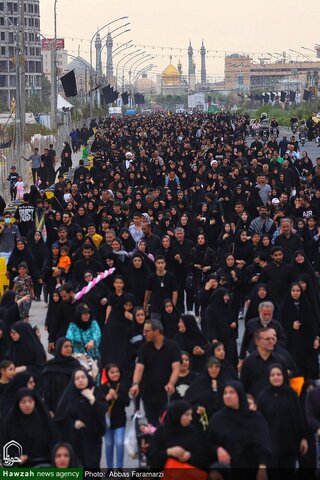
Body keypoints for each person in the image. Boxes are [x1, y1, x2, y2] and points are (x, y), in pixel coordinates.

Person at [207, 381, 271, 480]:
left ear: (240, 394)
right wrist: (217, 449)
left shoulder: (255, 418)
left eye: (232, 392)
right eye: (225, 393)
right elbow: (208, 441)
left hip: (251, 470)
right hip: (226, 471)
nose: (228, 396)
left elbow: (263, 444)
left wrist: (262, 468)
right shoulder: (217, 419)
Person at [258, 364, 308, 479]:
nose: (276, 377)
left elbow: (298, 417)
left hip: (289, 445)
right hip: (270, 446)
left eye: (279, 374)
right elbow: (259, 422)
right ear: (268, 377)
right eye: (272, 375)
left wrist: (303, 437)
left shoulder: (291, 394)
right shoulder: (263, 396)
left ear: (284, 376)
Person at [129, 319, 181, 425]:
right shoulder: (144, 348)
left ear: (156, 331)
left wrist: (171, 384)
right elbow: (139, 368)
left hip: (166, 393)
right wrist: (135, 384)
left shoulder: (173, 347)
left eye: (147, 331)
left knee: (166, 423)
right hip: (149, 393)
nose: (144, 334)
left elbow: (176, 368)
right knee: (152, 425)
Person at [55, 368, 107, 468]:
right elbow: (60, 418)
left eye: (83, 377)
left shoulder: (96, 392)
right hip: (75, 440)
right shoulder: (69, 395)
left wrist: (92, 399)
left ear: (88, 378)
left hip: (93, 439)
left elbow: (102, 411)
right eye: (77, 378)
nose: (80, 380)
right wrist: (73, 423)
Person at [0, 388, 57, 466]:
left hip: (45, 464)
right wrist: (16, 458)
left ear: (34, 402)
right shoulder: (10, 423)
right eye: (23, 402)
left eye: (30, 401)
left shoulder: (44, 420)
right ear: (18, 404)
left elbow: (54, 441)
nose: (27, 405)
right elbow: (5, 447)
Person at [148, 400, 210, 469]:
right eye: (187, 415)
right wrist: (168, 452)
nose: (190, 418)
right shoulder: (161, 432)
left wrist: (190, 456)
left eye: (191, 414)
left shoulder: (193, 431)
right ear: (177, 415)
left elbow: (203, 456)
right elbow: (152, 458)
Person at [240, 327, 289, 399]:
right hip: (255, 405)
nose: (271, 341)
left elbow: (286, 385)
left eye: (273, 338)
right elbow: (243, 385)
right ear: (257, 341)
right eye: (267, 339)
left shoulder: (280, 361)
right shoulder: (249, 362)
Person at [40, 338, 80, 416]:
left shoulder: (75, 364)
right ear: (59, 348)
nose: (69, 349)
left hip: (73, 407)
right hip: (55, 407)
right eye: (66, 346)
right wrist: (48, 409)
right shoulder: (50, 367)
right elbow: (46, 391)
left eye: (70, 346)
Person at [101, 363, 130, 469]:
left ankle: (119, 468)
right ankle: (109, 468)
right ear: (107, 374)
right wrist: (107, 398)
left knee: (119, 443)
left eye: (117, 372)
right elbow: (98, 404)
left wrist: (117, 396)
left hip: (120, 420)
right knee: (108, 444)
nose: (115, 374)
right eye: (112, 372)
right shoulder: (103, 387)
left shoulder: (123, 385)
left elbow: (127, 402)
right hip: (107, 420)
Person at [185, 357, 224, 423]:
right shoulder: (199, 383)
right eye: (211, 366)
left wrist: (215, 390)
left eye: (217, 367)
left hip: (221, 422)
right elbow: (187, 402)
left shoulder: (224, 383)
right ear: (206, 368)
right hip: (201, 423)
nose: (214, 369)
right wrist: (196, 408)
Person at [144, 255, 178, 320]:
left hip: (168, 307)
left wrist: (173, 306)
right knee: (155, 327)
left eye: (162, 263)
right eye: (158, 263)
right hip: (155, 307)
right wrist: (145, 306)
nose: (160, 265)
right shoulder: (151, 277)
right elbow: (148, 292)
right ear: (155, 264)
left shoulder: (171, 276)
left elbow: (175, 292)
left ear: (165, 264)